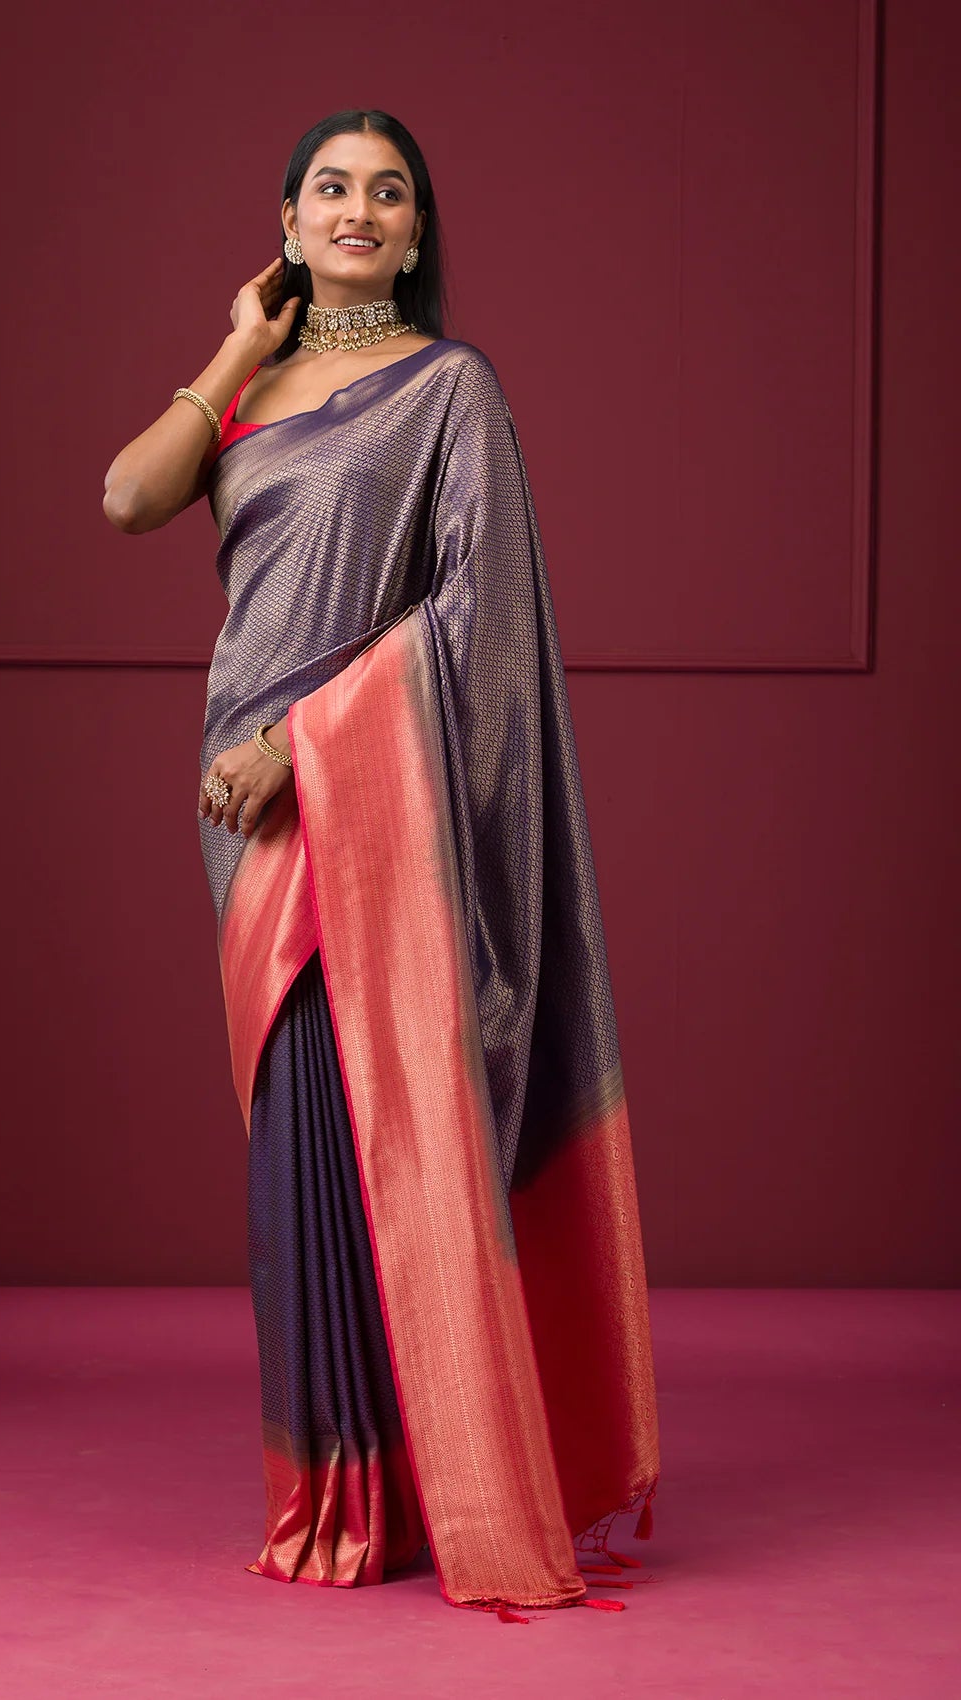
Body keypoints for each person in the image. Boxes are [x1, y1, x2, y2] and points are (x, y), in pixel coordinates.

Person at [103, 109, 660, 1618]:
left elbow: (482, 613)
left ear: (416, 236)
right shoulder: (252, 384)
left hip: (359, 797)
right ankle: (331, 1487)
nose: (359, 210)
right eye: (331, 189)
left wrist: (306, 747)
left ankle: (413, 1489)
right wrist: (238, 344)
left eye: (389, 193)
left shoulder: (451, 390)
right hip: (244, 816)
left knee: (381, 1139)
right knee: (294, 1146)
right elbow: (130, 496)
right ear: (289, 221)